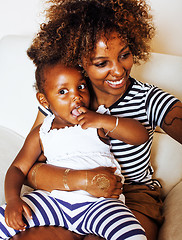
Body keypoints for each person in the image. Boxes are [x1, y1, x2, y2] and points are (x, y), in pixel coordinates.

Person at [8, 0, 182, 239]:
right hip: (63, 195)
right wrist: (84, 180)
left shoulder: (148, 99)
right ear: (80, 60)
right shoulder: (63, 100)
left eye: (125, 55)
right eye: (101, 63)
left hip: (130, 196)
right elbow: (28, 167)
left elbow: (142, 131)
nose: (119, 71)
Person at [0, 60, 149, 240]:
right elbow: (17, 168)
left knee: (133, 234)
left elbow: (140, 135)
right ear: (44, 100)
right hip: (53, 201)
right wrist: (13, 200)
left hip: (99, 204)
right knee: (3, 220)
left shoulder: (96, 121)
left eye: (81, 87)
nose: (76, 96)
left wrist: (103, 121)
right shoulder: (41, 133)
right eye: (63, 92)